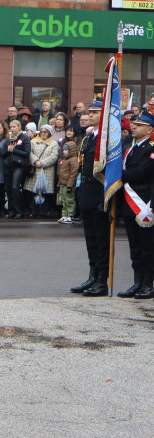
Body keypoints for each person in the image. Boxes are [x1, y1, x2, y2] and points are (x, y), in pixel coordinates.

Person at [70, 102, 111, 296]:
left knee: (101, 238)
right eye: (90, 112)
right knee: (90, 238)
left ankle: (102, 280)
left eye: (95, 112)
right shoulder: (88, 137)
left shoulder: (106, 139)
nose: (91, 115)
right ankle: (92, 275)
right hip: (86, 190)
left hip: (99, 191)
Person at [116, 111, 154, 298]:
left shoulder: (151, 149)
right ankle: (137, 282)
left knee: (147, 247)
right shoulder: (130, 148)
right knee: (135, 247)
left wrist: (116, 174)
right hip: (129, 203)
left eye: (139, 125)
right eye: (133, 124)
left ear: (149, 130)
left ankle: (148, 284)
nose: (133, 126)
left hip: (144, 203)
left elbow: (141, 173)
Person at [24, 125, 59, 219]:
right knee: (33, 191)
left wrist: (42, 163)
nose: (43, 133)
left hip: (47, 170)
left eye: (45, 132)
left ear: (49, 133)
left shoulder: (54, 144)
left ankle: (43, 212)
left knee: (45, 192)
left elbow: (54, 156)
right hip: (35, 170)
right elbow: (29, 153)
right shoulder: (33, 142)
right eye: (41, 132)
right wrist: (35, 161)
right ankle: (34, 211)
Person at [4, 119, 32, 219]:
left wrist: (14, 150)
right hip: (9, 165)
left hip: (19, 165)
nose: (12, 129)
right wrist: (8, 150)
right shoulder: (9, 138)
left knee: (15, 187)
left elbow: (27, 153)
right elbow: (5, 153)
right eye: (11, 127)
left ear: (19, 127)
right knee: (8, 188)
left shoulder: (24, 138)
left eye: (14, 127)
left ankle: (19, 210)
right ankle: (11, 210)